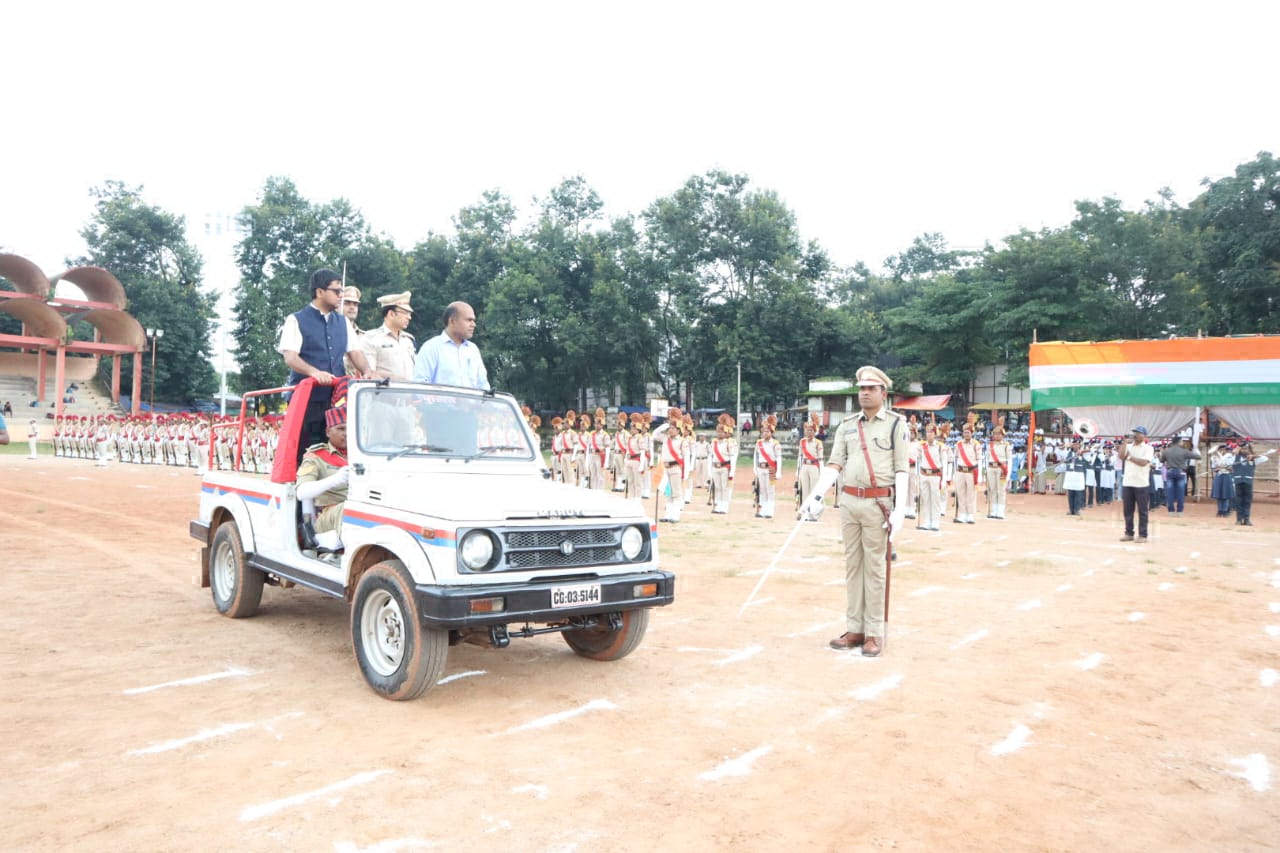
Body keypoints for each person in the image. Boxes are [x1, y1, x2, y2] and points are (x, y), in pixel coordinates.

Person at [802, 365, 909, 658]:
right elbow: (835, 463)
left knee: (874, 568)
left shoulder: (897, 424)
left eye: (871, 388)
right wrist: (816, 494)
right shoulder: (848, 425)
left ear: (883, 393)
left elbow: (902, 469)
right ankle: (855, 628)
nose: (864, 393)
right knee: (853, 566)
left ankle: (874, 632)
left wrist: (900, 509)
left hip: (878, 504)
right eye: (861, 388)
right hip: (849, 502)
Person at [278, 269, 372, 461]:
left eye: (341, 291)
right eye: (337, 291)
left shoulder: (343, 322)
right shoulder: (296, 319)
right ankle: (301, 486)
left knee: (337, 448)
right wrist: (313, 372)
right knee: (305, 447)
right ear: (320, 292)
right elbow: (290, 356)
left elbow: (355, 352)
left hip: (336, 399)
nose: (341, 296)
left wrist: (368, 370)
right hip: (306, 399)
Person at [296, 406, 350, 539]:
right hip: (327, 516)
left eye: (350, 428)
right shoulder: (317, 456)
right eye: (341, 429)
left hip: (357, 510)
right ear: (327, 432)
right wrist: (336, 479)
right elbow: (302, 492)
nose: (346, 433)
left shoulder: (363, 454)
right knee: (350, 510)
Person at [413, 301, 489, 390]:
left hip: (471, 404)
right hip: (439, 404)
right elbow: (420, 385)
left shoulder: (473, 350)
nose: (473, 325)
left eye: (473, 320)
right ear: (452, 321)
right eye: (469, 320)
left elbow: (483, 386)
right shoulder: (431, 348)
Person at [361, 291, 417, 381]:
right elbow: (370, 373)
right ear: (391, 314)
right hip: (384, 393)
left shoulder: (408, 340)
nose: (409, 317)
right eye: (405, 313)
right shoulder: (371, 339)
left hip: (410, 392)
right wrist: (395, 378)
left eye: (409, 313)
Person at [1118, 426, 1154, 542]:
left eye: (1139, 433)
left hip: (1141, 483)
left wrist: (1130, 457)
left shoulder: (1148, 448)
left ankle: (1143, 535)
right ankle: (1129, 533)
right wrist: (1124, 443)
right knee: (1127, 510)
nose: (1136, 435)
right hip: (1128, 482)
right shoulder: (1128, 446)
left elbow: (1143, 462)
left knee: (1143, 511)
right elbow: (1121, 456)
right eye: (1135, 432)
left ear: (1144, 436)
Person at [1232, 442, 1270, 526]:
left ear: (1250, 450)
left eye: (1247, 449)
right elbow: (1228, 458)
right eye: (1243, 449)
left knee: (1247, 501)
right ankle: (1239, 519)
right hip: (1238, 482)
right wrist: (1236, 450)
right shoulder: (1235, 457)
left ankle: (1246, 519)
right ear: (1241, 450)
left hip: (1248, 482)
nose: (1245, 450)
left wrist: (1254, 456)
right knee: (1238, 501)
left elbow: (1265, 458)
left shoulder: (1254, 459)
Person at [1161, 437, 1201, 516]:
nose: (1183, 443)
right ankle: (1180, 511)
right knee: (1180, 492)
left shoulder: (1166, 451)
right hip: (1181, 472)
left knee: (1170, 492)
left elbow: (1161, 460)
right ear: (1179, 442)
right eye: (1182, 441)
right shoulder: (1184, 451)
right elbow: (1198, 457)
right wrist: (1195, 449)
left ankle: (1171, 511)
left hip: (1170, 471)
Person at [752, 416, 781, 519]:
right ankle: (763, 510)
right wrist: (754, 468)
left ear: (771, 432)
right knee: (762, 490)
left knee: (770, 490)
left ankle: (770, 511)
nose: (765, 433)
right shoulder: (759, 443)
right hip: (760, 468)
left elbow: (779, 458)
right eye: (763, 431)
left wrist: (779, 472)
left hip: (771, 468)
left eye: (767, 431)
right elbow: (755, 456)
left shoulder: (775, 443)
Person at [796, 418, 824, 520]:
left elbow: (821, 459)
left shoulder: (818, 442)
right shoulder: (802, 442)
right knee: (805, 491)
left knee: (814, 491)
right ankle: (805, 513)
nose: (809, 432)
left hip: (814, 467)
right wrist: (797, 470)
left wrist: (822, 471)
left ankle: (814, 514)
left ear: (814, 431)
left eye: (811, 430)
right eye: (807, 430)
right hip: (804, 466)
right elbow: (799, 457)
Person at [952, 424, 980, 524]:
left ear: (972, 433)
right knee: (960, 493)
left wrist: (979, 476)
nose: (966, 434)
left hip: (971, 472)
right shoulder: (958, 444)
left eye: (968, 432)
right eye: (965, 432)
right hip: (960, 471)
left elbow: (979, 460)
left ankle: (970, 515)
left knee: (971, 494)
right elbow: (955, 459)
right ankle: (962, 514)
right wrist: (954, 473)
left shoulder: (976, 444)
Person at [985, 424, 1011, 519]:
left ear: (1002, 435)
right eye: (995, 434)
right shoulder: (990, 445)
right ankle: (993, 510)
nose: (997, 436)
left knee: (1001, 490)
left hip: (1002, 469)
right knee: (992, 490)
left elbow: (1009, 460)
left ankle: (1000, 511)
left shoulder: (1006, 445)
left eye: (999, 434)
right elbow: (987, 458)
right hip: (991, 468)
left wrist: (1008, 474)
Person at [1210, 443, 1236, 517]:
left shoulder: (1230, 456)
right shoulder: (1214, 457)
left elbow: (1232, 468)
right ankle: (1220, 510)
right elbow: (1214, 468)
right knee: (1219, 495)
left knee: (1225, 494)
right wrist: (1216, 468)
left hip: (1226, 475)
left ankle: (1224, 510)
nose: (1223, 450)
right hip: (1219, 475)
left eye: (1224, 449)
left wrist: (1229, 468)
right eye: (1221, 449)